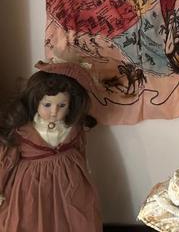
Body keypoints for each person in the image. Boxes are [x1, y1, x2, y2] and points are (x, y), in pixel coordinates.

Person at [0, 70, 102, 232]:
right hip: (32, 185)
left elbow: (81, 150)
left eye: (62, 105)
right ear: (36, 102)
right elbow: (8, 161)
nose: (54, 112)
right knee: (32, 218)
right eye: (47, 105)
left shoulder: (74, 128)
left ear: (70, 105)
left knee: (74, 218)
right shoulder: (23, 130)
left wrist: (85, 173)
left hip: (70, 182)